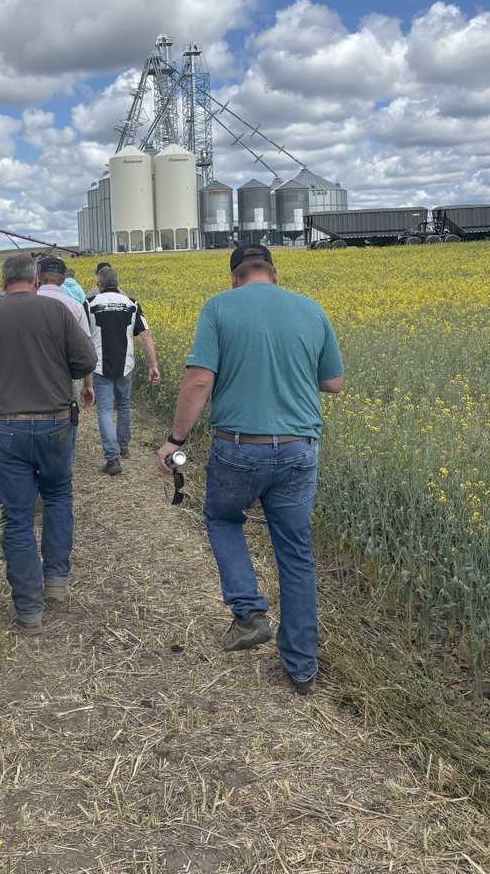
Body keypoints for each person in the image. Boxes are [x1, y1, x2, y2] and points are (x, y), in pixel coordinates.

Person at [156, 243, 344, 694]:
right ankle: (301, 668)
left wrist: (175, 440)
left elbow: (200, 380)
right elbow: (333, 383)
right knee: (296, 555)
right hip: (300, 450)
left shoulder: (219, 307)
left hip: (240, 449)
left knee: (222, 518)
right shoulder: (311, 309)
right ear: (274, 274)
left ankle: (249, 613)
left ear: (234, 276)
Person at [0, 253, 97, 632]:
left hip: (6, 427)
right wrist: (56, 366)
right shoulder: (57, 312)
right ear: (36, 279)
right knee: (57, 497)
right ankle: (55, 582)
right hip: (56, 424)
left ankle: (29, 610)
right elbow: (86, 360)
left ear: (3, 282)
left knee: (16, 518)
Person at [88, 265, 160, 475]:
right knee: (124, 406)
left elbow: (82, 336)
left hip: (100, 364)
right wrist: (153, 365)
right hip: (125, 365)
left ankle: (112, 459)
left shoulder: (90, 303)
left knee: (105, 410)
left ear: (99, 285)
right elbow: (145, 335)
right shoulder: (132, 303)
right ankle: (124, 447)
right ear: (117, 284)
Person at [35, 255, 93, 401]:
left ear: (39, 277)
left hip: (30, 374)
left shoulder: (26, 302)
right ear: (62, 280)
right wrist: (88, 385)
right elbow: (86, 348)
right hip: (63, 376)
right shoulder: (76, 306)